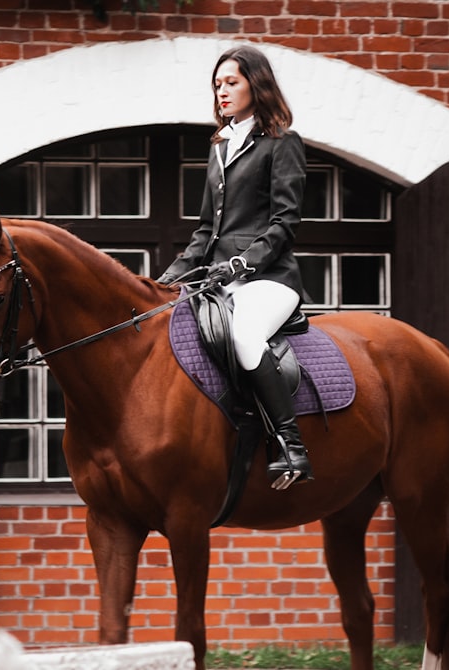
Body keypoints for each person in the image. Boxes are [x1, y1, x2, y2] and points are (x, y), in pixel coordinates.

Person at [157, 44, 311, 489]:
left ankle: (291, 446)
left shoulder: (282, 143)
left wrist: (244, 262)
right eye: (217, 84)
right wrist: (166, 280)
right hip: (220, 281)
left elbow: (285, 222)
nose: (221, 91)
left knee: (245, 335)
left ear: (255, 84)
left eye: (232, 82)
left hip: (270, 280)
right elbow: (207, 230)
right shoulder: (221, 147)